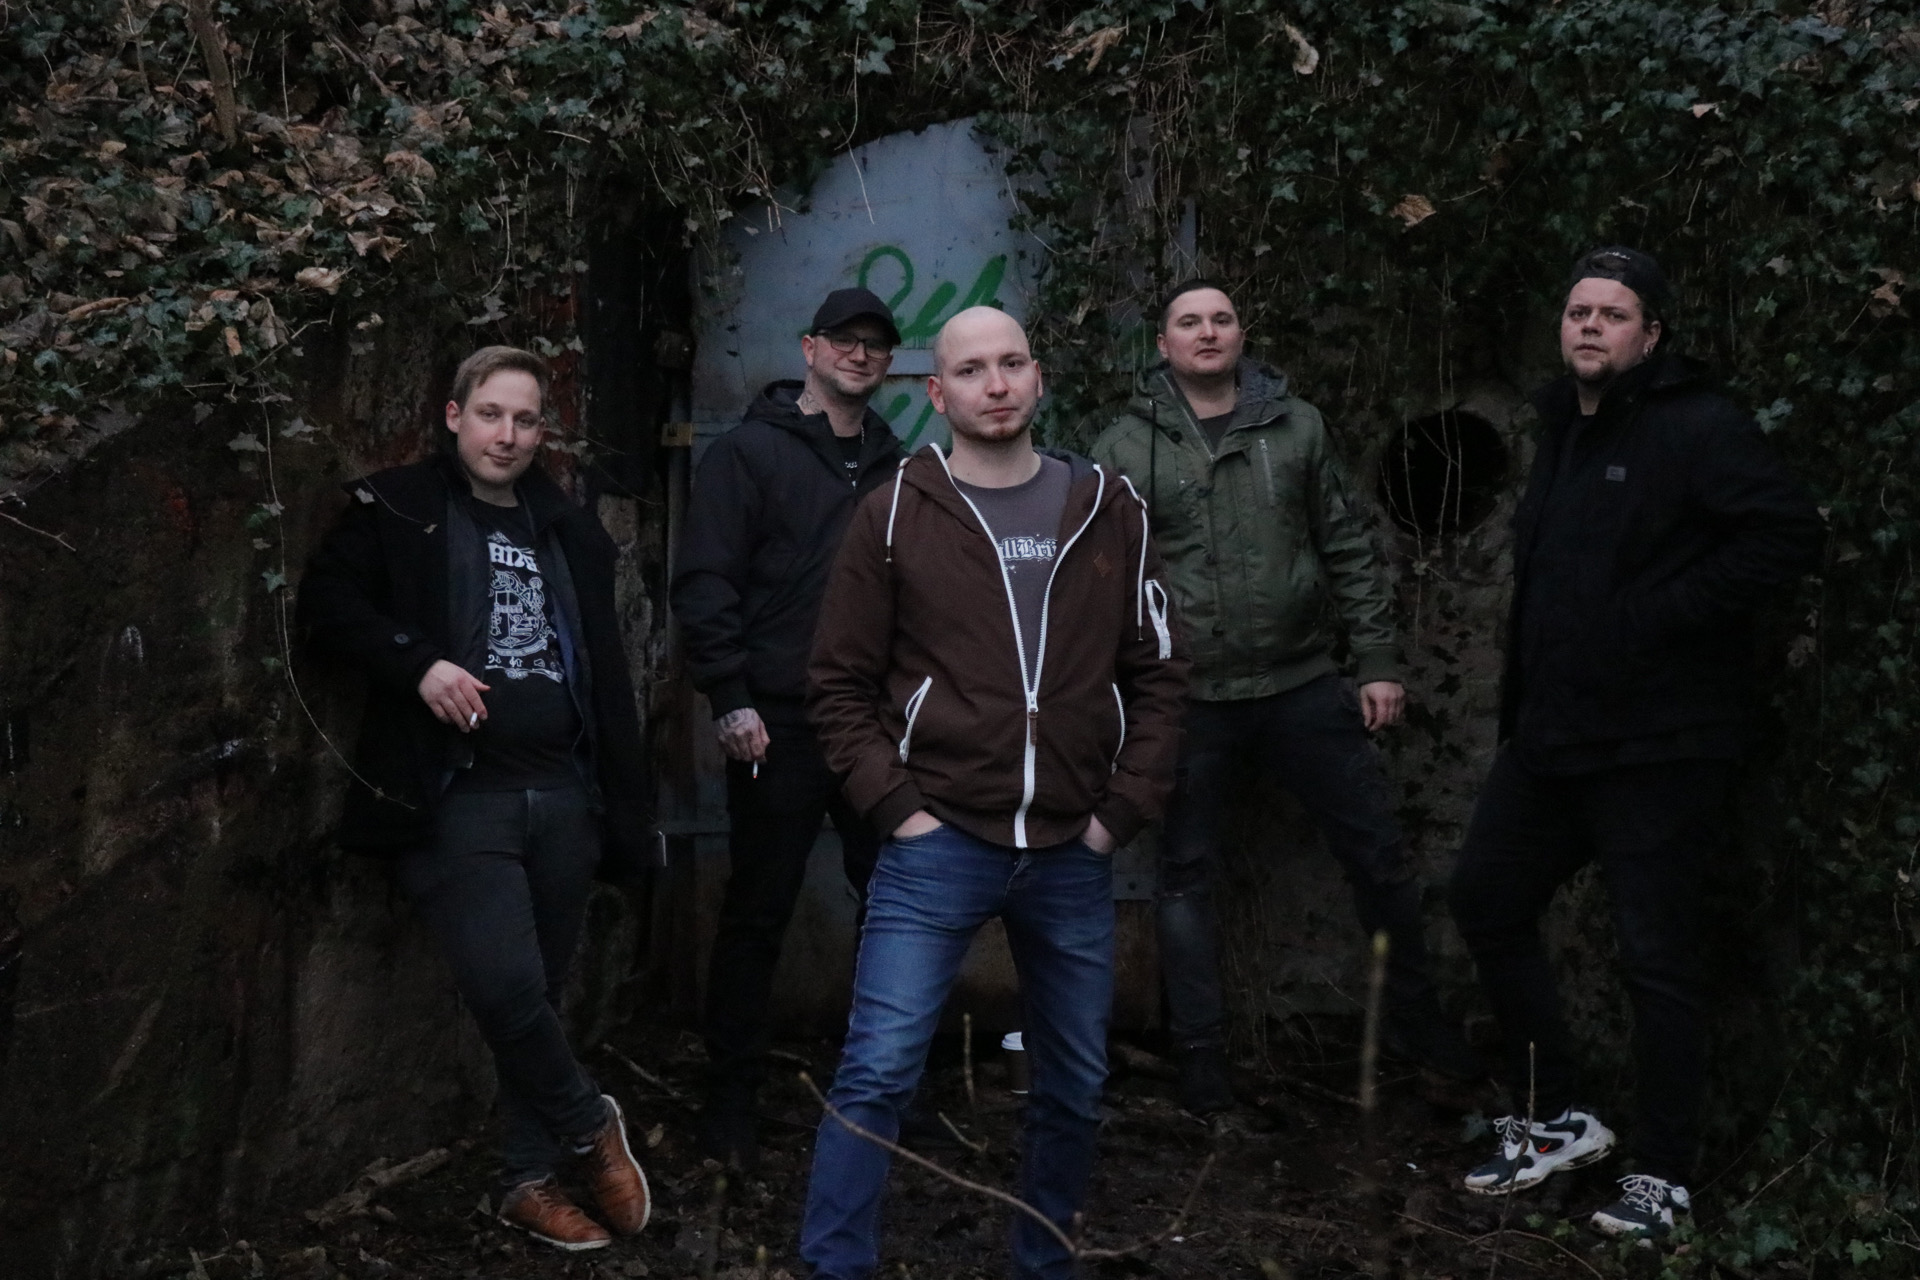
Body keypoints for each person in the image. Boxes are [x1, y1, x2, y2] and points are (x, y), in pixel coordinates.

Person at [799, 307, 1189, 1280]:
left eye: (1012, 363)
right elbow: (838, 681)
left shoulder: (1107, 505)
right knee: (879, 1069)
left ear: (1039, 376)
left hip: (1070, 847)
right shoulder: (895, 511)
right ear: (939, 394)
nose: (997, 383)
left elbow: (1159, 672)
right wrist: (898, 809)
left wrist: (1118, 813)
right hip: (938, 841)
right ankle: (835, 1265)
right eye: (972, 369)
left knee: (1075, 1081)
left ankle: (1041, 1264)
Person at [1448, 247, 1821, 1238]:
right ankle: (1560, 1119)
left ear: (1650, 334)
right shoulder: (1563, 427)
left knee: (1658, 959)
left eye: (1612, 314)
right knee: (1486, 898)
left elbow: (1786, 534)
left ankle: (1663, 1177)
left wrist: (1657, 616)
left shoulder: (1698, 426)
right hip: (1556, 737)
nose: (1590, 325)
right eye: (1579, 310)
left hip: (1659, 744)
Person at [1090, 279, 1478, 1115]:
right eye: (1189, 322)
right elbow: (1102, 579)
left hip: (1301, 683)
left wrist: (1376, 660)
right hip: (1191, 696)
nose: (1207, 332)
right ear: (1162, 344)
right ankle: (1201, 1059)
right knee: (1185, 875)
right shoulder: (1124, 445)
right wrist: (1123, 693)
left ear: (1240, 335)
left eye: (1221, 318)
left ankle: (1418, 1030)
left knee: (1377, 855)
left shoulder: (1296, 426)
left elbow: (1345, 544)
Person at [297, 346, 653, 1252]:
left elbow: (604, 672)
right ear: (454, 416)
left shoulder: (565, 527)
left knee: (540, 997)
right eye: (491, 414)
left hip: (563, 792)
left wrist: (617, 799)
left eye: (526, 420)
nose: (508, 435)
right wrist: (417, 663)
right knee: (505, 987)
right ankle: (588, 1122)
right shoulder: (401, 509)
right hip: (459, 794)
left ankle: (525, 1181)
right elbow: (326, 606)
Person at [671, 288, 906, 1170]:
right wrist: (730, 696)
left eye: (875, 343)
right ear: (809, 349)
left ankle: (889, 1094)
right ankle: (730, 1102)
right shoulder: (747, 454)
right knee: (757, 912)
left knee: (897, 908)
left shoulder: (896, 466)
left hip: (872, 726)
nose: (860, 353)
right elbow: (705, 582)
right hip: (776, 722)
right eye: (844, 339)